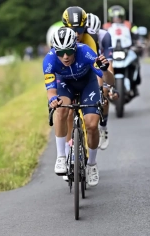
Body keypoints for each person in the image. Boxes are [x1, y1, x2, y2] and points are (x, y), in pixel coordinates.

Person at [43, 27, 115, 186]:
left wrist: (105, 71)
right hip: (65, 84)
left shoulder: (86, 52)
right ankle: (61, 156)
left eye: (69, 51)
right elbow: (51, 91)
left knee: (91, 125)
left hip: (87, 84)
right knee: (61, 110)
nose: (66, 56)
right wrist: (53, 99)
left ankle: (92, 164)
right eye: (61, 53)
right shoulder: (49, 60)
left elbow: (110, 81)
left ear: (75, 47)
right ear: (55, 51)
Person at [86, 13, 118, 150]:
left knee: (103, 92)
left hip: (99, 64)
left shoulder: (105, 36)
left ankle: (103, 127)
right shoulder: (79, 36)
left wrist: (110, 86)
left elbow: (109, 63)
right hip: (84, 64)